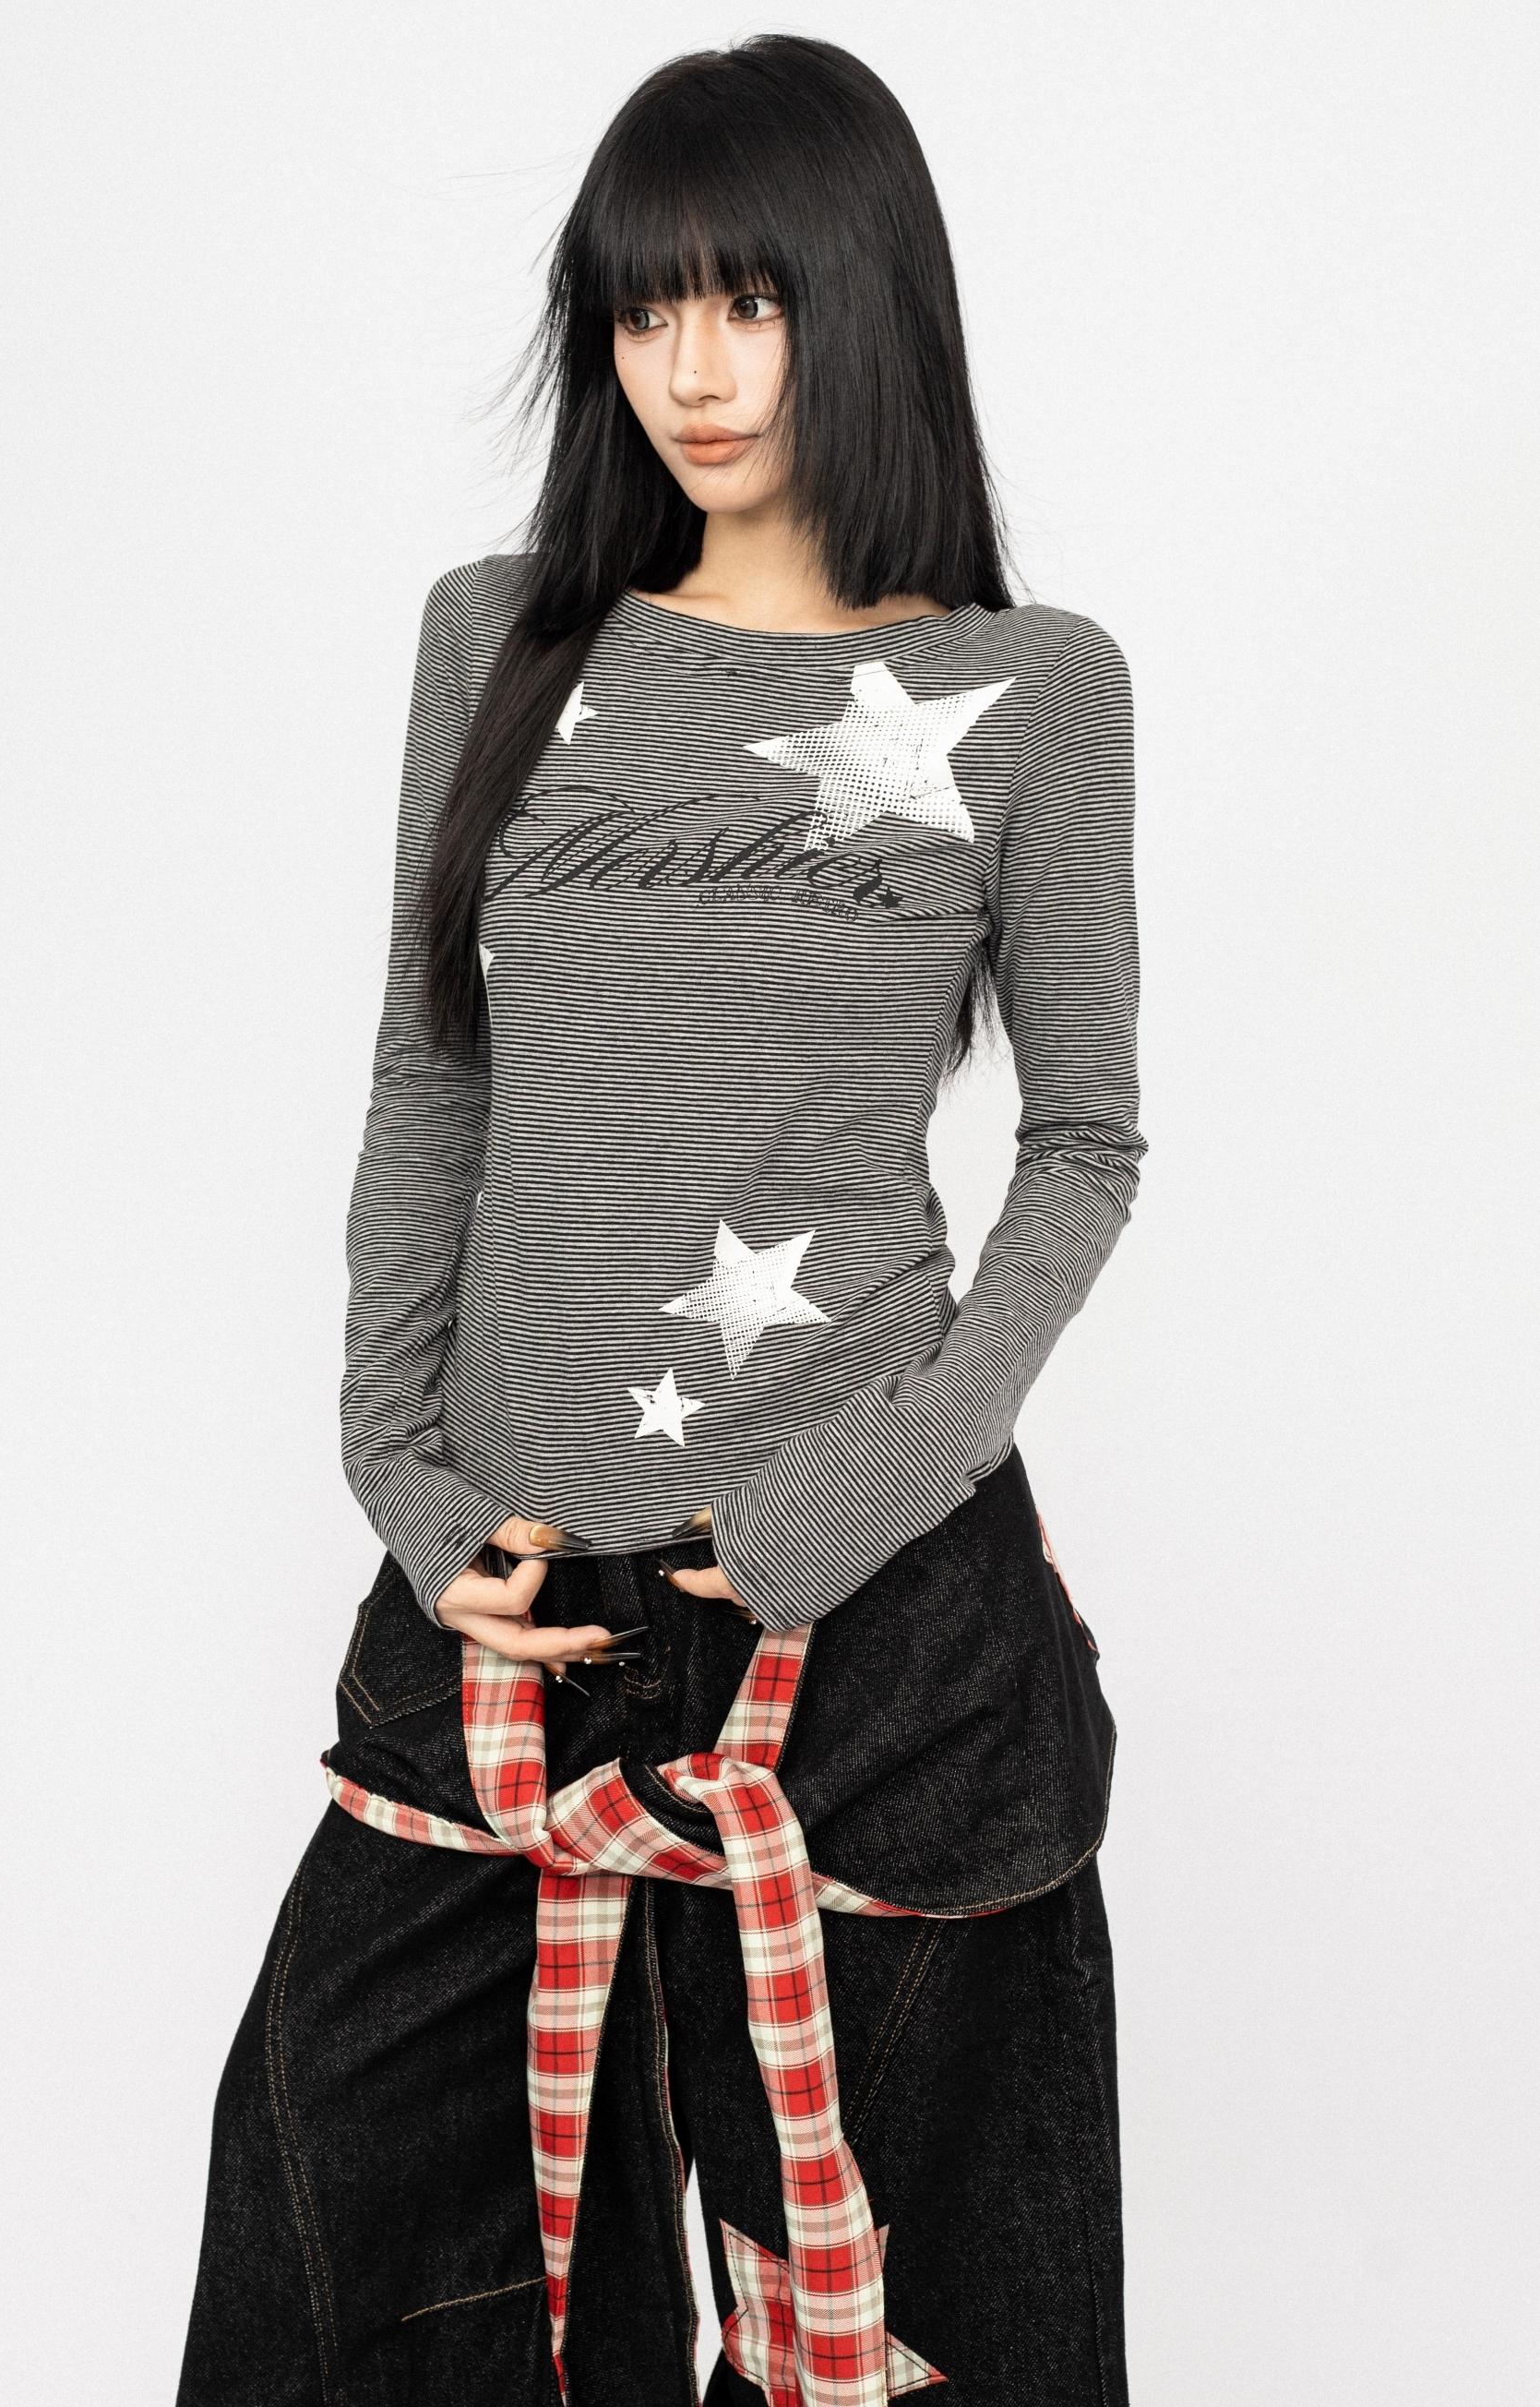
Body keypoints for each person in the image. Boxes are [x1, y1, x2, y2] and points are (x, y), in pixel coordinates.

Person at [176, 31, 1146, 2407]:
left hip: (868, 1630)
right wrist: (397, 1473)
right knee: (346, 2282)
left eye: (749, 301)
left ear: (864, 298)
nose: (690, 371)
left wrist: (854, 1492)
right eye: (640, 310)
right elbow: (432, 1072)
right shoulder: (502, 635)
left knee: (928, 2327)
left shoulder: (1025, 690)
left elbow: (1085, 1146)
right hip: (503, 1612)